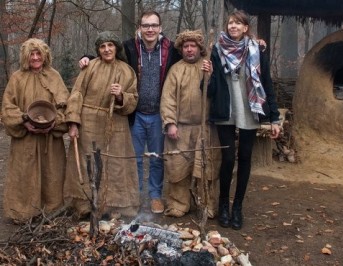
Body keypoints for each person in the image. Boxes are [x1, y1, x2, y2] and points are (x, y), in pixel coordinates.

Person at [79, 11, 181, 214]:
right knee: (132, 158)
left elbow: (193, 54)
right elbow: (108, 51)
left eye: (153, 25)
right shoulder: (129, 47)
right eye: (145, 25)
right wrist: (86, 58)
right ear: (139, 28)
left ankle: (154, 196)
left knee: (157, 158)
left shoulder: (171, 50)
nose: (150, 29)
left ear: (160, 28)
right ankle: (135, 195)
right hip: (134, 114)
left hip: (158, 113)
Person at [208, 10, 281, 230]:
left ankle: (237, 206)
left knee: (246, 157)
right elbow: (210, 86)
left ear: (245, 27)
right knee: (228, 158)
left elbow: (266, 83)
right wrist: (207, 75)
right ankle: (223, 204)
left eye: (238, 23)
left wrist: (274, 118)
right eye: (230, 23)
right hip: (225, 109)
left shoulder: (257, 49)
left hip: (250, 108)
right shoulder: (216, 49)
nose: (233, 26)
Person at [64, 31, 139, 219]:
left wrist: (121, 95)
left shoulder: (127, 71)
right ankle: (85, 205)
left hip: (116, 125)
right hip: (88, 123)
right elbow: (76, 94)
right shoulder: (89, 68)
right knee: (87, 162)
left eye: (110, 45)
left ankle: (115, 205)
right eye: (102, 46)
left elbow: (133, 101)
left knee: (115, 164)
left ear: (116, 47)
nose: (106, 49)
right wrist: (73, 122)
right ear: (98, 50)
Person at [1, 38, 70, 222]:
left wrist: (54, 123)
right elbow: (7, 108)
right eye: (32, 54)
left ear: (45, 54)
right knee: (25, 175)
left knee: (52, 174)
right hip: (26, 140)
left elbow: (65, 105)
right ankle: (23, 213)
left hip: (50, 140)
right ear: (26, 57)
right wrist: (23, 121)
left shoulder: (54, 76)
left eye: (39, 53)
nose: (35, 58)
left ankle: (52, 211)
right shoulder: (17, 78)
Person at [160, 30, 219, 218]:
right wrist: (170, 123)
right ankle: (178, 204)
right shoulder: (176, 70)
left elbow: (218, 93)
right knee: (177, 168)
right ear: (181, 49)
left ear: (200, 48)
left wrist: (211, 76)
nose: (189, 49)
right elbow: (167, 98)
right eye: (186, 46)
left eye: (193, 46)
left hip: (206, 128)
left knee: (206, 169)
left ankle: (206, 204)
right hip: (181, 128)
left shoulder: (208, 66)